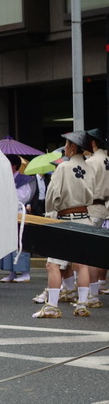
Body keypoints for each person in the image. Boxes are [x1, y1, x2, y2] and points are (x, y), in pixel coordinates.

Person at [32, 130, 95, 318]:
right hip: (85, 217)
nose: (65, 149)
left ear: (73, 146)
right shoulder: (90, 168)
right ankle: (82, 304)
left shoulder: (63, 168)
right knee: (81, 263)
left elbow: (52, 196)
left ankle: (51, 306)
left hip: (66, 220)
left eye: (66, 145)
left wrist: (50, 214)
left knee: (53, 264)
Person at [0, 154, 33, 283]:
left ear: (14, 166)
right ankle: (11, 271)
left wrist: (8, 193)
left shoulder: (24, 180)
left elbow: (23, 197)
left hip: (18, 214)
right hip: (6, 214)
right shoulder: (4, 178)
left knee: (21, 242)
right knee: (8, 242)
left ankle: (24, 272)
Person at [85, 128, 108, 299]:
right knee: (95, 250)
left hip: (92, 207)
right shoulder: (107, 159)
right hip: (104, 207)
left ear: (93, 142)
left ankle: (91, 294)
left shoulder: (92, 161)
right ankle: (95, 287)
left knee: (87, 253)